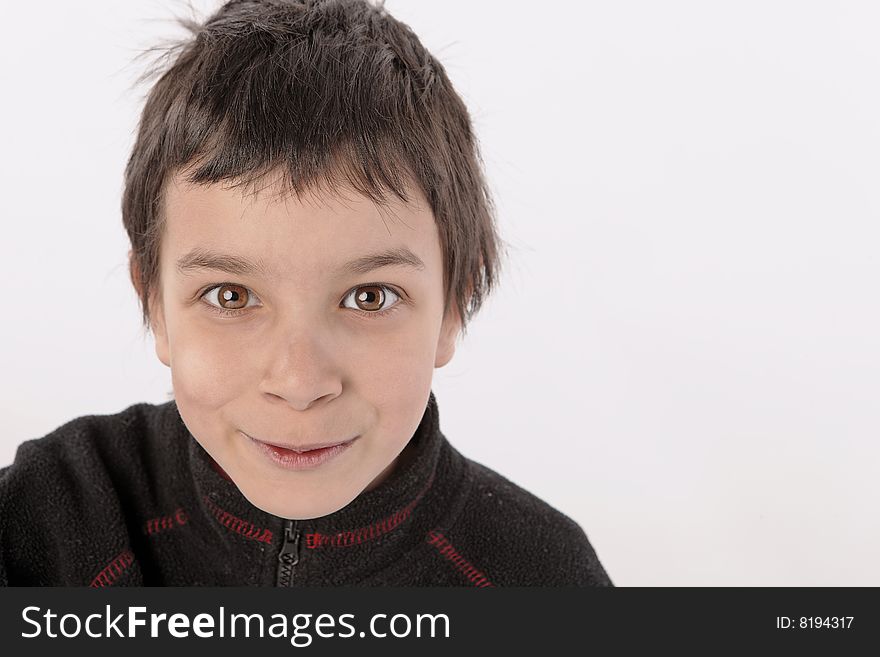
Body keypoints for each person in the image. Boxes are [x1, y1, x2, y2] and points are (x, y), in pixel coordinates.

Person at [0, 0, 612, 587]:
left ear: (457, 300)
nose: (299, 382)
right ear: (153, 304)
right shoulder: (47, 518)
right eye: (231, 297)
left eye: (369, 297)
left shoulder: (541, 580)